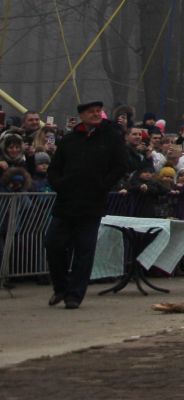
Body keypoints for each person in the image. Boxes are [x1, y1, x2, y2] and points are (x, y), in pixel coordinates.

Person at [43, 99, 132, 309]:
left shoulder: (110, 138)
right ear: (82, 115)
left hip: (92, 203)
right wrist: (60, 184)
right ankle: (61, 286)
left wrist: (103, 185)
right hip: (66, 201)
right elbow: (55, 168)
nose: (96, 114)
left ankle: (75, 294)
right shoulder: (70, 139)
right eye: (91, 112)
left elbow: (121, 165)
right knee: (53, 244)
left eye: (99, 111)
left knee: (84, 251)